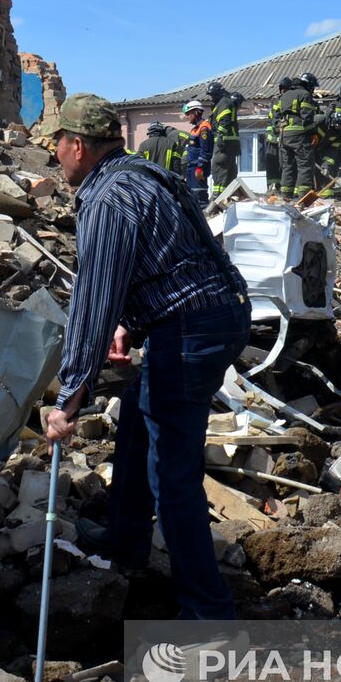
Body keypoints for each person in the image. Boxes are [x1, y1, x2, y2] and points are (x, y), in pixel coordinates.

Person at [44, 93, 251, 621]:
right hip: (216, 313)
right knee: (139, 415)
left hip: (190, 332)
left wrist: (71, 396)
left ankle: (208, 616)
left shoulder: (108, 199)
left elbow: (94, 298)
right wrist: (132, 324)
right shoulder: (144, 174)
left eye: (58, 145)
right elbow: (180, 255)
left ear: (78, 146)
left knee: (172, 475)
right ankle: (126, 541)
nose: (56, 156)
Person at [277, 73, 320, 199]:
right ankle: (304, 197)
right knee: (305, 165)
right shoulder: (304, 95)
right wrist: (313, 134)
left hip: (284, 135)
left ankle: (286, 196)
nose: (312, 91)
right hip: (299, 135)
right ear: (308, 85)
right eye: (312, 88)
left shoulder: (284, 96)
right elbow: (307, 118)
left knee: (288, 166)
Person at [206, 82, 241, 201]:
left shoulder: (224, 103)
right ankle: (227, 195)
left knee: (218, 167)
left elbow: (224, 122)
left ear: (219, 93)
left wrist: (220, 137)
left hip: (224, 142)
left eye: (213, 95)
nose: (212, 98)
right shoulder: (222, 103)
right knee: (229, 169)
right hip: (229, 141)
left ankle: (218, 197)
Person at [264, 76, 291, 198]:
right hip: (274, 139)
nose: (284, 92)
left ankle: (279, 188)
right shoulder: (278, 101)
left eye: (286, 90)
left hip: (280, 139)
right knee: (273, 164)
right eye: (283, 89)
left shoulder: (288, 101)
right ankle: (271, 188)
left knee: (282, 165)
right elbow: (276, 119)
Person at [182, 100, 212, 206]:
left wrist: (200, 167)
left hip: (199, 168)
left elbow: (206, 150)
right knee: (193, 195)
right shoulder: (195, 129)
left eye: (188, 114)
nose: (187, 116)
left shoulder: (204, 128)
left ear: (196, 112)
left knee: (199, 194)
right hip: (191, 167)